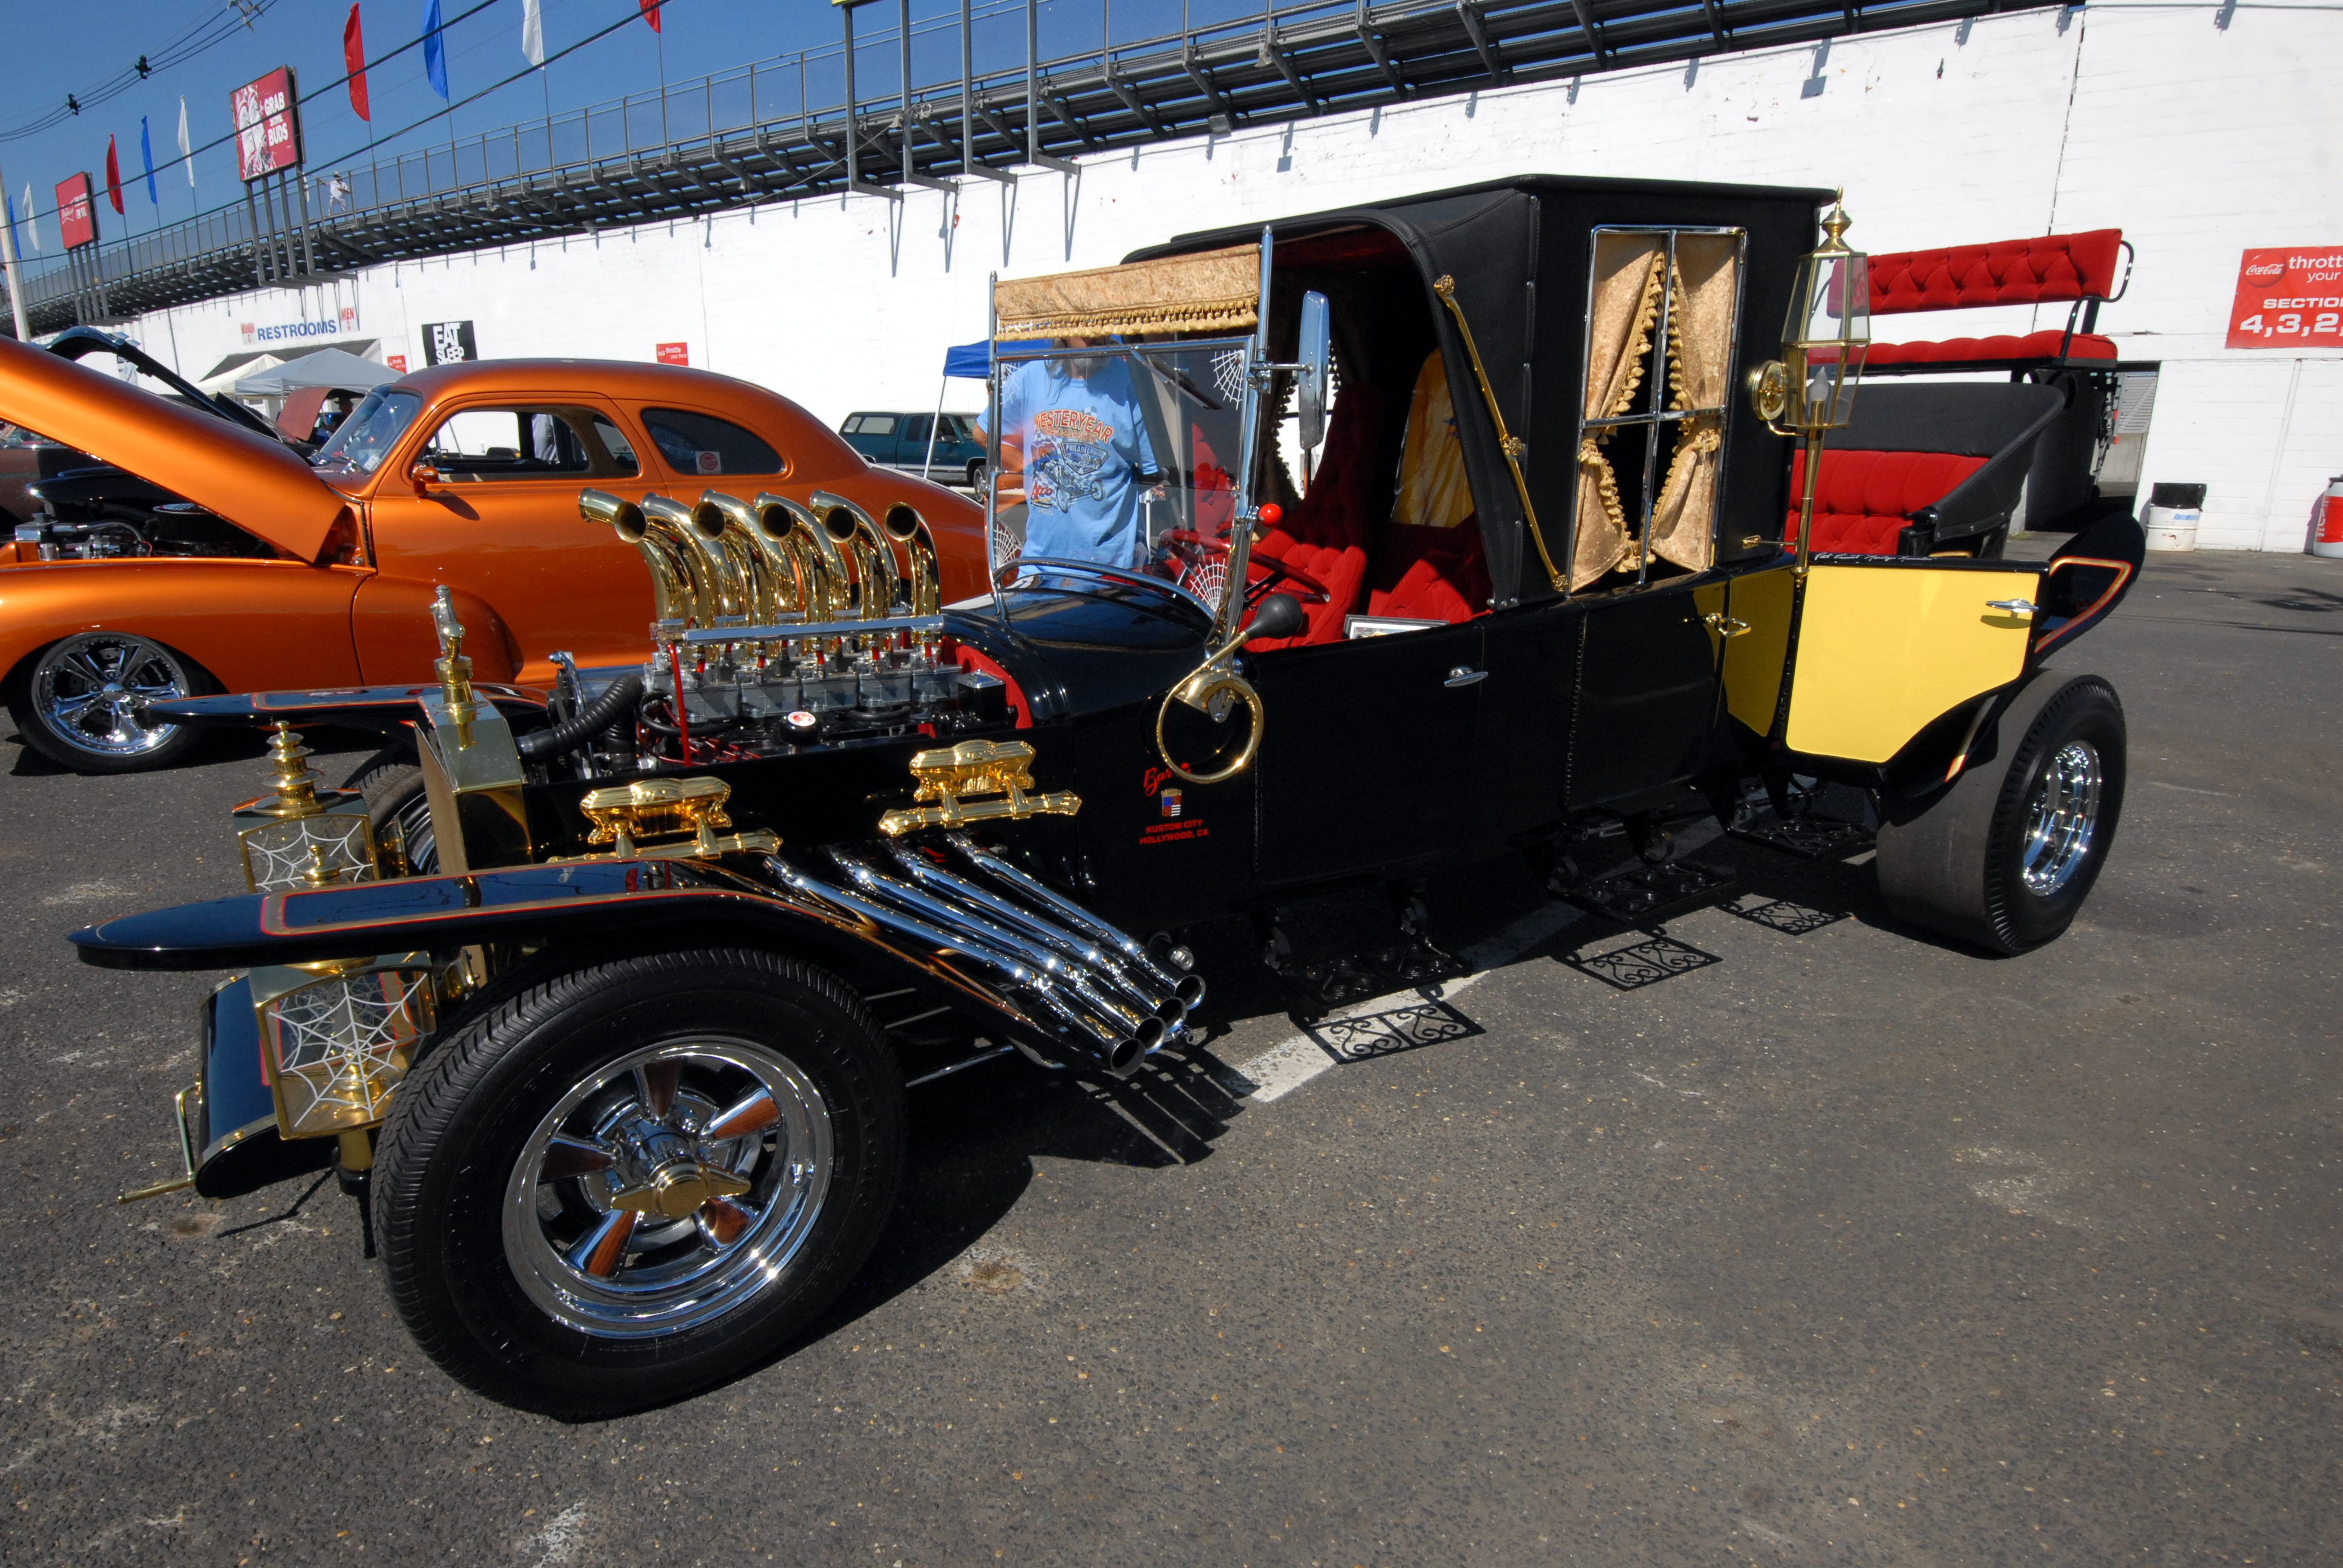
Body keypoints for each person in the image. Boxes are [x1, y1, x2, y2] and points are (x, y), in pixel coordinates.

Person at [985, 341, 1164, 569]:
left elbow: (1156, 472)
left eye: (1102, 324)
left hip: (1110, 569)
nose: (1094, 336)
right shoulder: (1031, 377)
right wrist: (1033, 471)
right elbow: (986, 434)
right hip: (1040, 564)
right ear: (1065, 328)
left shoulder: (1132, 381)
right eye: (1085, 324)